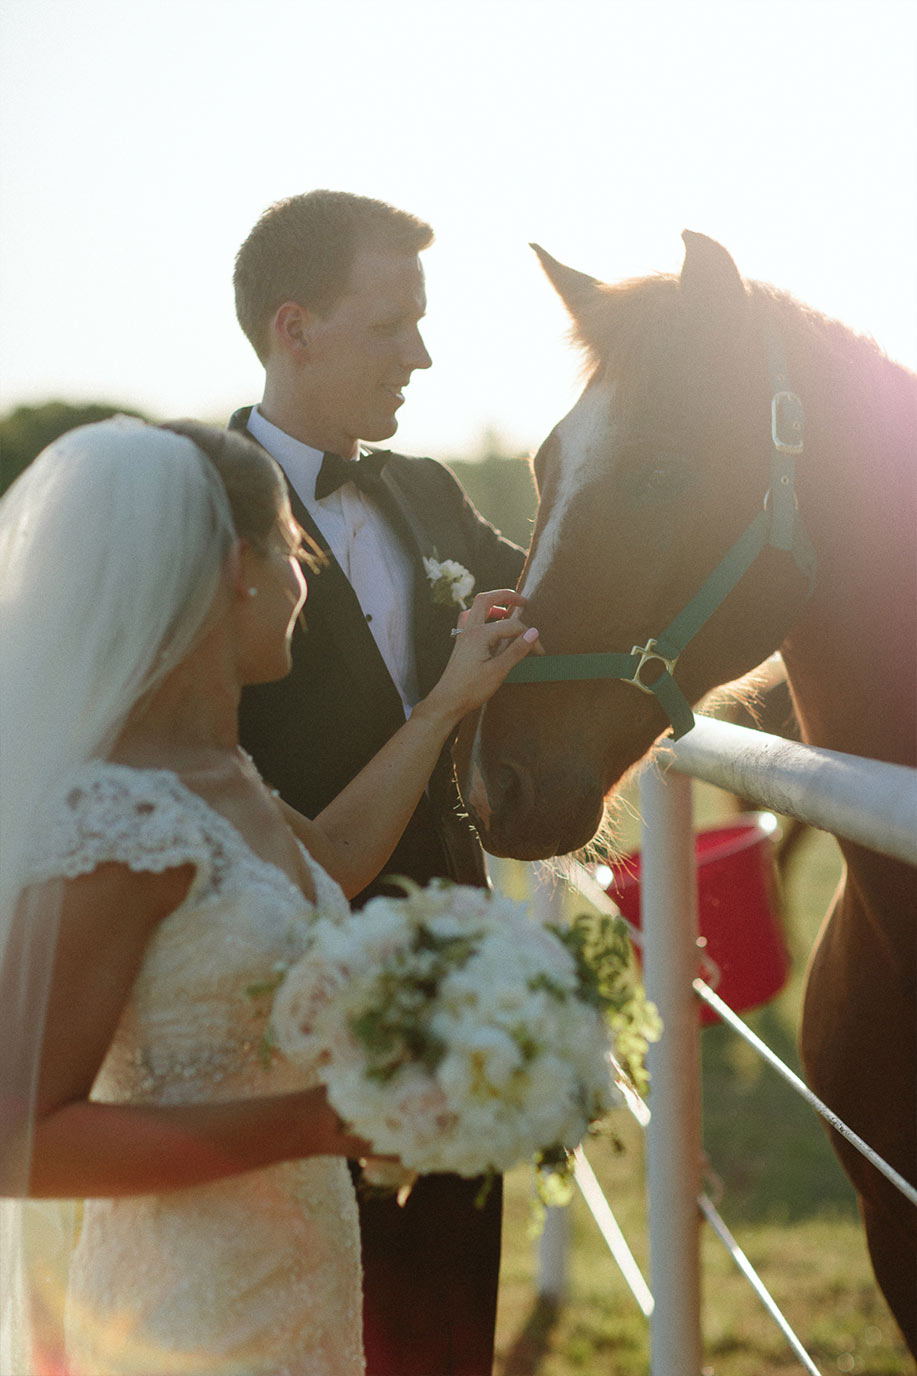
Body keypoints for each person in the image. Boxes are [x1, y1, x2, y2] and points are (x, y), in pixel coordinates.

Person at [0, 417, 540, 1376]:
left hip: (303, 1287)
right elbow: (16, 1141)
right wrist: (316, 1123)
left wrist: (450, 702)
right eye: (295, 550)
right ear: (234, 570)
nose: (309, 578)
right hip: (182, 1316)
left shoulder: (221, 772)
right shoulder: (116, 814)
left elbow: (332, 858)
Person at [230, 189, 528, 1376]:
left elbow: (574, 629)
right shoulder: (200, 507)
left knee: (449, 1314)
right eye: (391, 324)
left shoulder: (427, 492)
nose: (421, 353)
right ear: (292, 328)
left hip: (457, 966)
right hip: (278, 987)